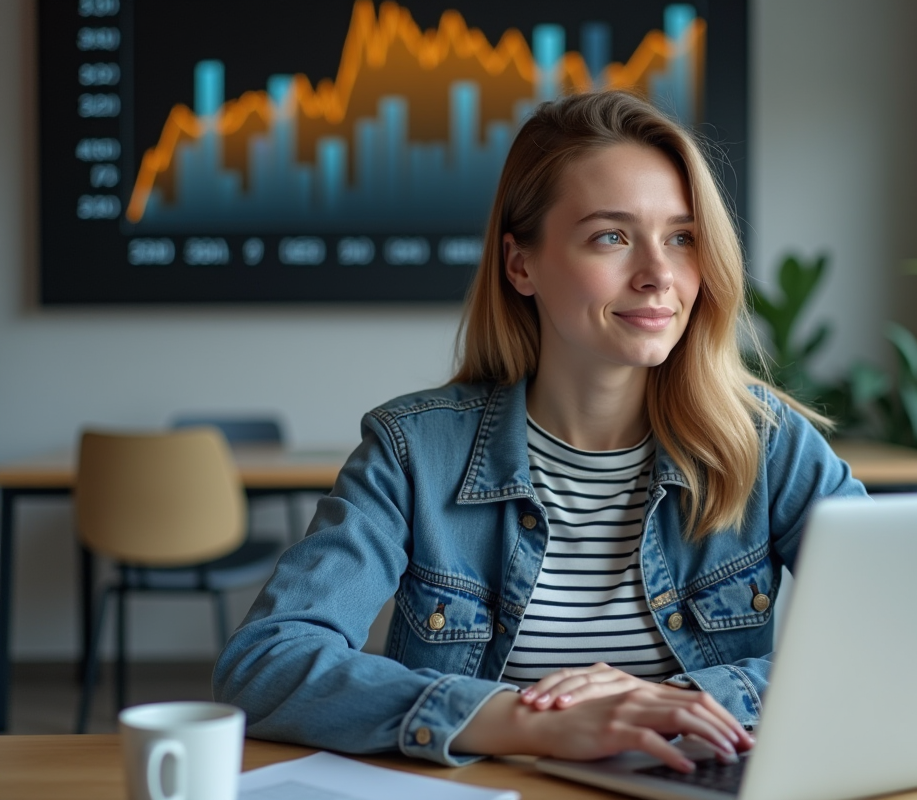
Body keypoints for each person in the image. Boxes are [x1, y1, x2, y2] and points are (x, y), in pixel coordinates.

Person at [213, 90, 865, 773]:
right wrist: (525, 722)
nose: (658, 275)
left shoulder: (769, 445)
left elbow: (902, 636)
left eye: (681, 237)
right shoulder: (414, 453)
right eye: (611, 236)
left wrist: (677, 701)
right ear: (521, 264)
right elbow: (266, 660)